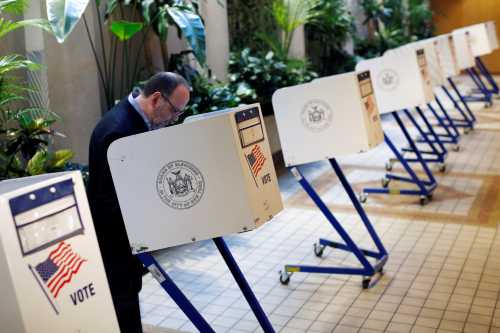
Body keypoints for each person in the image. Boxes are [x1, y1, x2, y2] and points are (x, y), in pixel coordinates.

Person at [87, 72, 190, 333]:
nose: (174, 119)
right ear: (157, 99)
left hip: (127, 234)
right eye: (174, 111)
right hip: (115, 237)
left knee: (129, 294)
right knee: (123, 302)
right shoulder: (119, 131)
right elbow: (111, 196)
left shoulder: (137, 120)